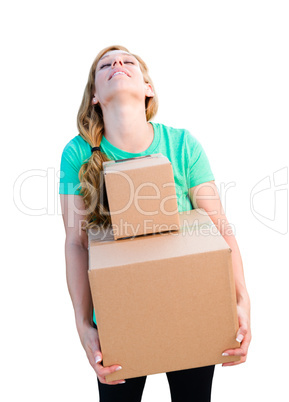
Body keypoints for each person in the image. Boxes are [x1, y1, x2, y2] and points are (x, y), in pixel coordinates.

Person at [59, 45, 251, 402]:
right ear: (96, 97)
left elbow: (218, 225)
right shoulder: (78, 154)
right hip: (119, 314)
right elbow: (75, 242)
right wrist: (84, 325)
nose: (117, 63)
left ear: (148, 88)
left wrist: (241, 302)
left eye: (127, 61)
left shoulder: (181, 145)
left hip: (193, 303)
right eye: (105, 65)